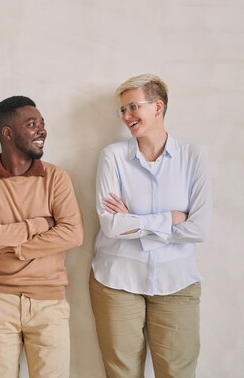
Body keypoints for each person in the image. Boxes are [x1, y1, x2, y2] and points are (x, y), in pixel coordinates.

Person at [90, 74, 212, 378]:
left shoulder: (192, 157)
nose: (126, 116)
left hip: (177, 282)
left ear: (158, 107)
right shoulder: (113, 157)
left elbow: (198, 229)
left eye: (133, 107)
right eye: (122, 110)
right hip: (117, 280)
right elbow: (110, 225)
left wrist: (135, 221)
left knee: (178, 372)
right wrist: (169, 219)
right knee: (122, 373)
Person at [0, 96, 83, 378]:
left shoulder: (56, 177)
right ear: (8, 133)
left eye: (42, 124)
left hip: (50, 303)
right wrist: (38, 224)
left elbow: (73, 233)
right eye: (32, 124)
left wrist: (17, 249)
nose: (42, 131)